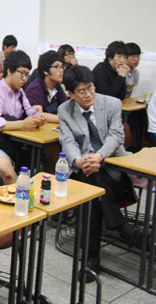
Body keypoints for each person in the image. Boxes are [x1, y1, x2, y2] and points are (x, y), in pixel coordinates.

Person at [59, 65, 143, 279]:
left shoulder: (112, 103)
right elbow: (68, 142)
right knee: (91, 182)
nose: (88, 94)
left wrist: (98, 156)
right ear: (71, 94)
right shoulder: (65, 110)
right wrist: (79, 160)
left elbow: (116, 136)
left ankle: (91, 258)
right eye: (81, 91)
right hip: (84, 168)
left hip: (113, 168)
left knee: (91, 190)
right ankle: (123, 229)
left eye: (90, 88)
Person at [0, 50, 45, 184]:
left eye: (27, 74)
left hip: (14, 143)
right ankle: (18, 195)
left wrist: (38, 118)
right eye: (22, 73)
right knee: (7, 169)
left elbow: (30, 111)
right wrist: (23, 124)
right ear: (9, 71)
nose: (25, 78)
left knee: (47, 155)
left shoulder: (20, 92)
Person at [25, 51, 68, 124]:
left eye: (61, 67)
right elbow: (38, 115)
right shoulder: (34, 88)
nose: (61, 70)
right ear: (45, 71)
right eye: (56, 67)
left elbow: (66, 107)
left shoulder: (56, 85)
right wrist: (65, 119)